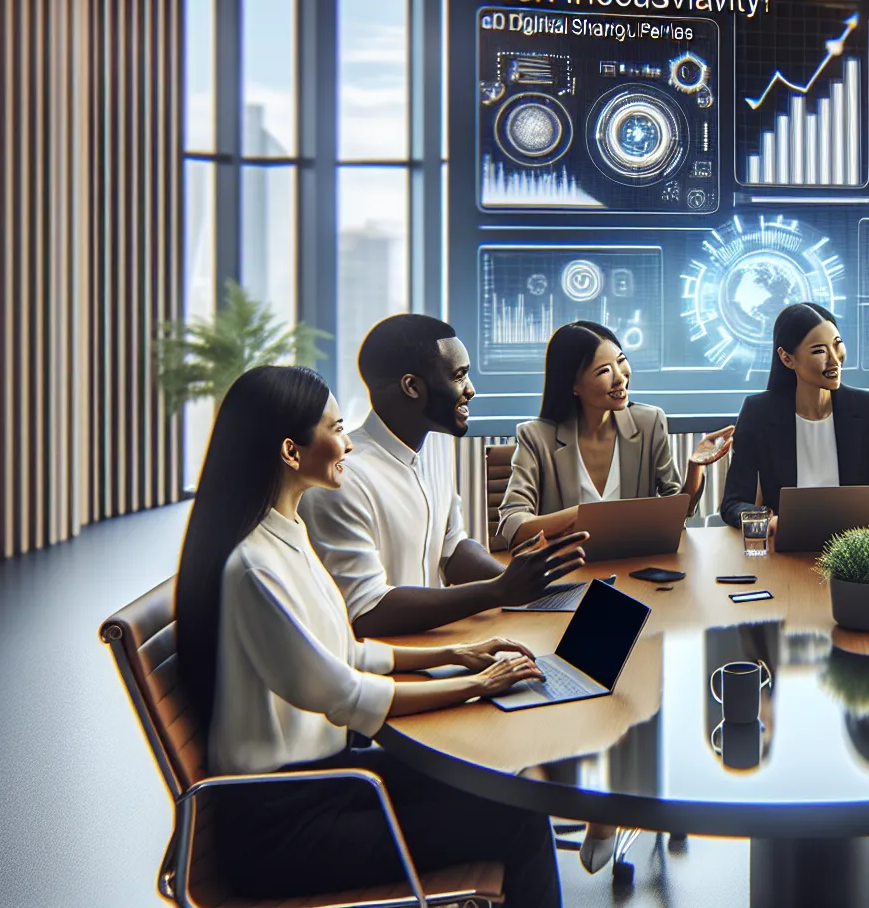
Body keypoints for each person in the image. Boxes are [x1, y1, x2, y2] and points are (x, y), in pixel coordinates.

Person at [173, 365, 571, 904]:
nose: (348, 445)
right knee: (518, 817)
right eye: (336, 430)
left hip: (324, 781)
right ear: (292, 452)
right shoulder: (254, 567)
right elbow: (342, 694)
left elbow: (347, 652)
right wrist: (477, 685)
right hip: (282, 827)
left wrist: (462, 654)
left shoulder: (285, 533)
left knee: (507, 781)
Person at [302, 314, 590, 639]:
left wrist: (522, 582)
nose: (471, 390)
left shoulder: (436, 440)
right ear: (412, 386)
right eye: (459, 376)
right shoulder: (341, 480)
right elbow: (366, 612)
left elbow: (450, 547)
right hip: (383, 668)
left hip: (439, 645)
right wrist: (498, 591)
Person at [497, 320, 735, 545]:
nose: (620, 378)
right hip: (570, 572)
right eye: (603, 372)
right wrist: (583, 515)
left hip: (635, 568)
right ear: (573, 386)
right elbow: (513, 525)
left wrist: (695, 467)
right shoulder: (536, 437)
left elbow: (677, 512)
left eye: (621, 362)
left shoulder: (649, 423)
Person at [720, 302, 869, 529]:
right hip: (784, 552)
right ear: (787, 358)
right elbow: (733, 504)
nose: (834, 360)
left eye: (837, 344)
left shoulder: (868, 408)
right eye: (820, 351)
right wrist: (768, 522)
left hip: (851, 549)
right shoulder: (758, 412)